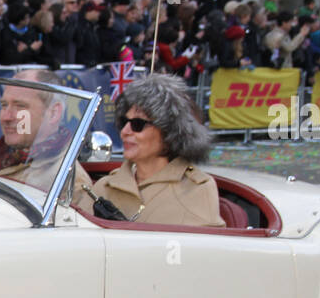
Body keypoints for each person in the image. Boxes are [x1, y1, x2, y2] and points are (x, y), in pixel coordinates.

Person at [89, 72, 222, 226]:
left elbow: (209, 248)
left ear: (169, 131)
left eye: (137, 124)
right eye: (124, 121)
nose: (125, 131)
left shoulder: (197, 190)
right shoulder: (103, 188)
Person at [0, 70, 98, 215]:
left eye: (20, 106)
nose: (6, 116)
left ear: (54, 113)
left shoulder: (69, 181)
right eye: (4, 105)